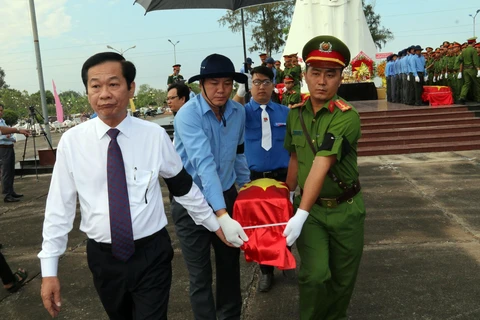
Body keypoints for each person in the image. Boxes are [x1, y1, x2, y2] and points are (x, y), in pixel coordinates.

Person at [38, 52, 233, 320]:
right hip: (103, 259)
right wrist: (49, 269)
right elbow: (59, 207)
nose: (104, 93)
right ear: (87, 92)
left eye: (113, 84)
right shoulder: (72, 142)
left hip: (150, 254)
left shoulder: (153, 136)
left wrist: (215, 224)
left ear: (131, 88)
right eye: (95, 86)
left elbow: (183, 188)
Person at [282, 35, 365, 320]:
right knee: (314, 275)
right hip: (314, 212)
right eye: (315, 73)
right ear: (304, 75)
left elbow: (322, 161)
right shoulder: (296, 114)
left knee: (342, 282)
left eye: (330, 74)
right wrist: (285, 197)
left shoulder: (347, 116)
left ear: (341, 78)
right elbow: (295, 157)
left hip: (346, 210)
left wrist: (299, 213)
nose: (321, 81)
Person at [172, 53, 250, 320]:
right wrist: (221, 215)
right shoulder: (187, 116)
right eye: (214, 83)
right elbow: (204, 165)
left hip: (227, 194)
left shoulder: (238, 112)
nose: (221, 90)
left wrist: (248, 189)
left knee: (230, 266)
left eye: (227, 83)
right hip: (191, 200)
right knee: (200, 274)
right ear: (201, 84)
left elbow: (239, 153)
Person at [233, 65, 294, 292]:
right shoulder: (242, 112)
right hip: (254, 178)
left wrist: (293, 183)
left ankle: (286, 258)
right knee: (260, 227)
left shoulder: (285, 113)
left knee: (286, 222)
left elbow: (294, 148)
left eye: (266, 82)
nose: (261, 87)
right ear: (250, 86)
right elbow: (231, 108)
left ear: (272, 85)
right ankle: (266, 271)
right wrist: (240, 88)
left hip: (282, 177)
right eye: (256, 82)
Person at [0, 104, 30, 203]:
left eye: (1, 110)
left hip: (8, 147)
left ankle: (11, 191)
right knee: (6, 172)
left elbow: (10, 135)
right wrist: (17, 131)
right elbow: (3, 134)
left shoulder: (2, 121)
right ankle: (7, 194)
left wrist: (10, 135)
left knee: (10, 170)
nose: (0, 112)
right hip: (3, 148)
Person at [458, 37, 480, 104]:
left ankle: (462, 97)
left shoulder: (464, 51)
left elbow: (460, 60)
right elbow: (475, 61)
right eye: (474, 43)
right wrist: (478, 69)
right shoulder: (473, 50)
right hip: (472, 69)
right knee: (477, 84)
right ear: (473, 42)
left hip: (465, 70)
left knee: (466, 84)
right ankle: (478, 98)